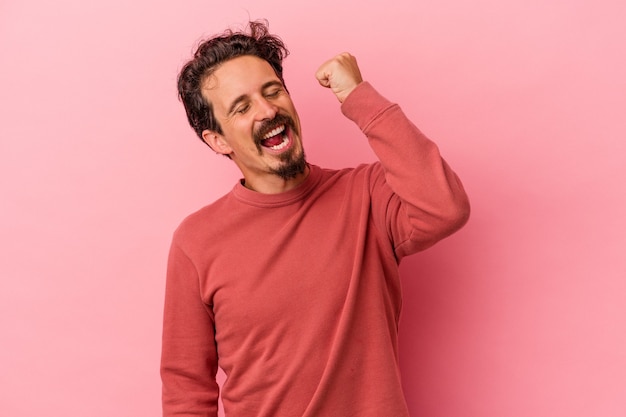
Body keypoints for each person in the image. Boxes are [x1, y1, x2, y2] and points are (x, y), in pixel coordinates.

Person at [161, 20, 470, 417]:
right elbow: (186, 387)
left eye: (272, 92)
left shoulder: (367, 195)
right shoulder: (196, 241)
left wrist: (359, 97)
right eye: (243, 106)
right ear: (217, 140)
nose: (268, 109)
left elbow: (446, 207)